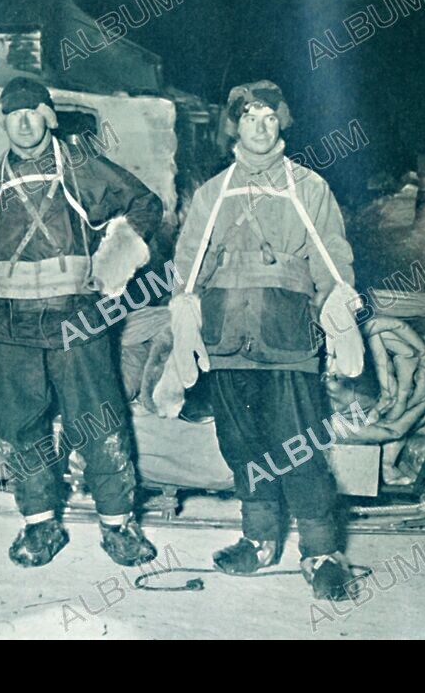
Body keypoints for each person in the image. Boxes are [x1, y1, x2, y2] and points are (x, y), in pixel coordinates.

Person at [0, 77, 162, 567]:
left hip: (78, 318)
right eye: (15, 113)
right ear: (4, 122)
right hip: (9, 323)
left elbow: (145, 204)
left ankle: (119, 525)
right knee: (20, 423)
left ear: (48, 116)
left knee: (98, 418)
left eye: (34, 111)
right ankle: (40, 524)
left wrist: (116, 255)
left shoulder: (82, 170)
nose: (25, 121)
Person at [168, 80, 361, 600]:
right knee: (242, 445)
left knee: (300, 446)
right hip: (227, 341)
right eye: (249, 115)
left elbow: (332, 261)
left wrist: (340, 310)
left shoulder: (309, 188)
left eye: (269, 116)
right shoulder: (213, 193)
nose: (260, 124)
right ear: (235, 125)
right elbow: (189, 269)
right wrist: (184, 315)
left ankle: (320, 550)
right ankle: (258, 539)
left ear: (281, 124)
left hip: (289, 339)